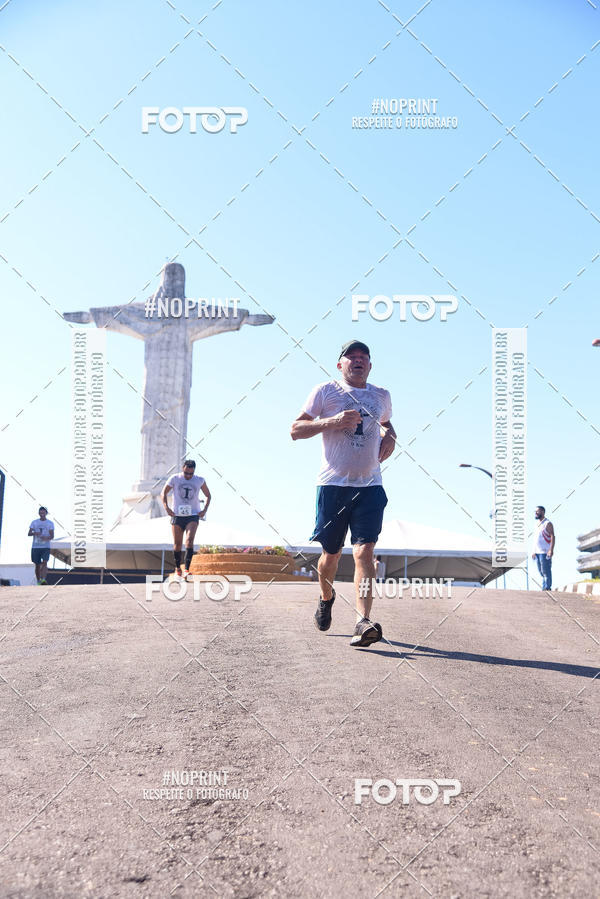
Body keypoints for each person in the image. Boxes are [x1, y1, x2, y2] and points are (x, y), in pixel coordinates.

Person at [291, 340, 396, 648]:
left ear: (370, 365)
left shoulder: (381, 395)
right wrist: (333, 421)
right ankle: (326, 597)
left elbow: (387, 424)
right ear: (340, 365)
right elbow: (295, 429)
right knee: (331, 556)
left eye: (363, 357)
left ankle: (363, 621)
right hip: (333, 486)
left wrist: (391, 435)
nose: (357, 361)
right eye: (351, 357)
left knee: (364, 553)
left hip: (370, 486)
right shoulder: (324, 391)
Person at [161, 460, 211, 579]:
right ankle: (178, 567)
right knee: (177, 544)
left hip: (192, 515)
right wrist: (166, 507)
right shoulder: (174, 478)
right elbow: (163, 493)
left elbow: (208, 495)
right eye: (186, 473)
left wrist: (204, 510)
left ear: (194, 471)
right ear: (182, 469)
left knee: (189, 540)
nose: (188, 476)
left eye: (190, 474)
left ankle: (187, 569)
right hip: (177, 516)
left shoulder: (199, 480)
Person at [28, 506, 54, 585]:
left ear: (46, 513)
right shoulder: (34, 522)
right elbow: (29, 533)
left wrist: (46, 538)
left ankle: (43, 579)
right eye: (40, 512)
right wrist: (34, 533)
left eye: (43, 512)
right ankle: (38, 580)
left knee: (45, 562)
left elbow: (52, 536)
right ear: (39, 513)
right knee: (37, 565)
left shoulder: (50, 523)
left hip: (45, 546)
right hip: (36, 546)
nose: (42, 514)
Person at [531, 505, 555, 590]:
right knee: (541, 571)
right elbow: (535, 539)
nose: (536, 513)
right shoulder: (537, 524)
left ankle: (547, 587)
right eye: (535, 511)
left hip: (545, 551)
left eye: (537, 511)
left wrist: (551, 550)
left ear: (542, 512)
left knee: (546, 570)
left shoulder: (547, 523)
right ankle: (545, 586)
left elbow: (552, 536)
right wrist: (533, 551)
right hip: (537, 552)